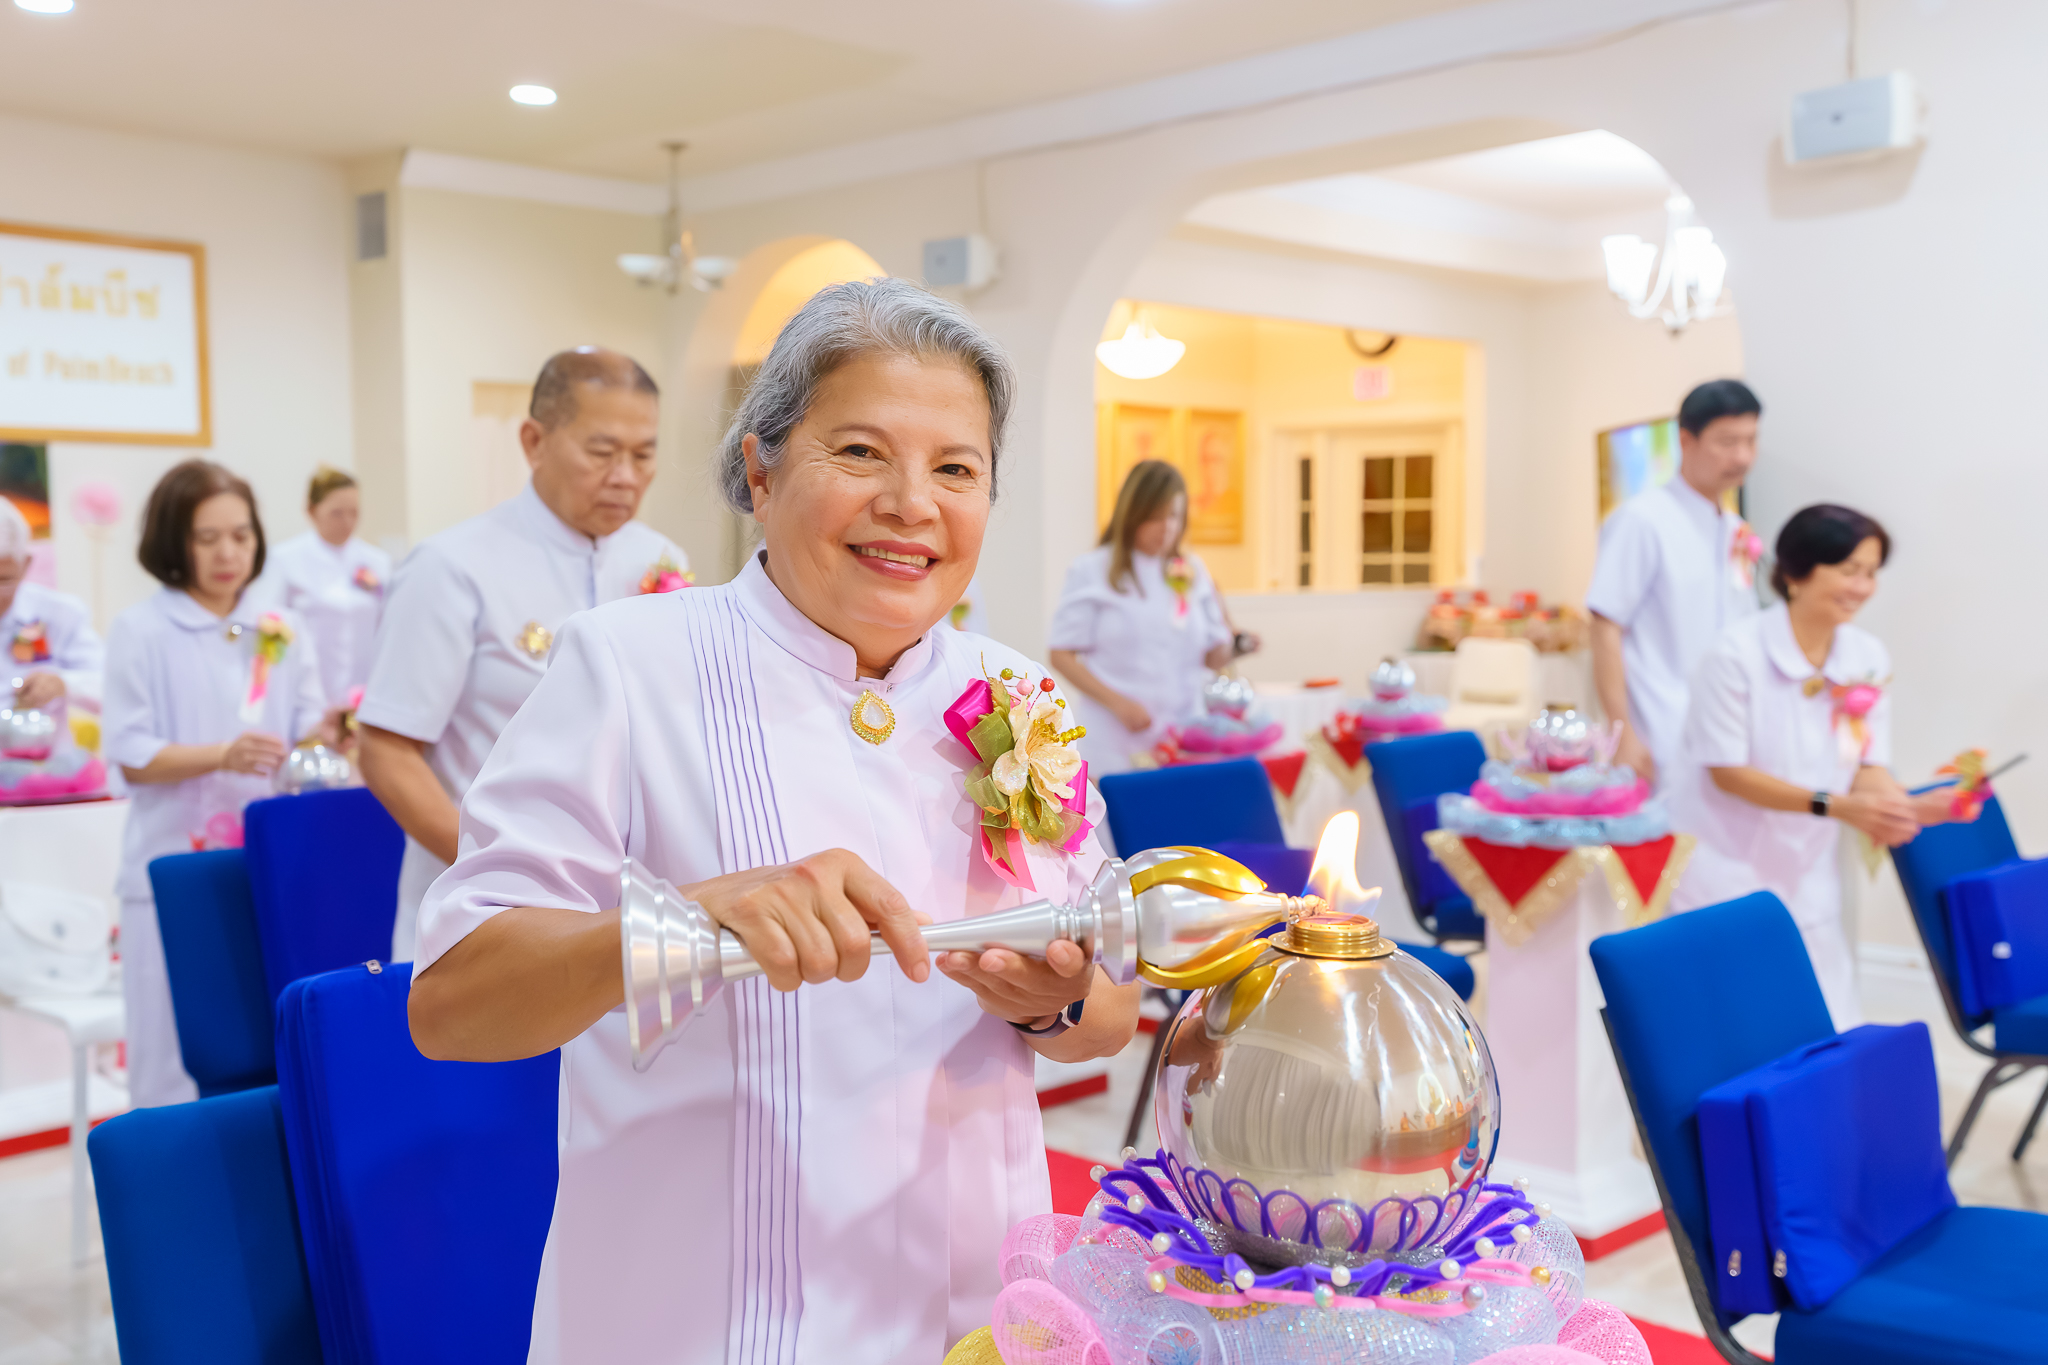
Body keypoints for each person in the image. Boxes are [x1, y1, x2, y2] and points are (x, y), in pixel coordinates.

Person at [406, 280, 1139, 1362]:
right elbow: (452, 1006)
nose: (910, 502)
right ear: (759, 468)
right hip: (702, 1318)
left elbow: (1108, 1011)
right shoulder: (628, 665)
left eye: (955, 468)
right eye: (857, 454)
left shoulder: (1019, 699)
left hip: (976, 1315)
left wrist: (1055, 999)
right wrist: (698, 916)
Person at [356, 347, 688, 963]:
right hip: (485, 911)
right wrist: (492, 869)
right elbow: (386, 749)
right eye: (602, 451)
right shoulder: (455, 567)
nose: (626, 476)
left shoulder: (660, 560)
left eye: (643, 455)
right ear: (534, 441)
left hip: (623, 916)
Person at [1675, 504, 1962, 1028]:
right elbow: (1728, 773)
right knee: (1745, 1026)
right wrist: (1839, 807)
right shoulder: (1735, 655)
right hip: (1725, 868)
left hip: (1808, 872)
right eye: (1848, 570)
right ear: (1794, 573)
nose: (1862, 586)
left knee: (1828, 1027)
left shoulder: (1865, 654)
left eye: (1872, 573)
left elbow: (1865, 762)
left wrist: (1905, 804)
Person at [102, 461, 329, 1105]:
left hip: (264, 867)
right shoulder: (141, 630)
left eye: (242, 535)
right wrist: (220, 755)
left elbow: (304, 725)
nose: (229, 553)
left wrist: (333, 732)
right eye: (208, 539)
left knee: (262, 1049)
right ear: (174, 542)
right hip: (171, 867)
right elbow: (132, 754)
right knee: (171, 1056)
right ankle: (167, 1197)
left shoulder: (278, 625)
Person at [1587, 380, 1763, 789]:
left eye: (1750, 441)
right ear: (1686, 440)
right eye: (1727, 442)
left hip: (1728, 733)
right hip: (1660, 727)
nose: (1742, 456)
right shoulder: (1643, 520)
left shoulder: (1735, 530)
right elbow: (1604, 627)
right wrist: (1622, 734)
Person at [1047, 459, 1242, 774]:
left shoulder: (1192, 570)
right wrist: (1119, 704)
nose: (1167, 528)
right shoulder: (1092, 570)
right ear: (1132, 514)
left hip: (1185, 736)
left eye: (1175, 517)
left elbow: (1212, 659)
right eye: (1155, 517)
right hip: (1116, 740)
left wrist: (1229, 638)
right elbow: (1061, 654)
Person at [256, 465, 390, 708]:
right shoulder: (285, 559)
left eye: (354, 513)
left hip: (364, 690)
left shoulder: (376, 561)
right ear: (312, 511)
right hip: (308, 690)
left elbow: (387, 625)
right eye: (337, 513)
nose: (347, 522)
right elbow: (270, 628)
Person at [0, 496, 103, 712]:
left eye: (3, 580)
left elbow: (109, 684)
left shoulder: (61, 613)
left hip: (45, 744)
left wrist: (63, 683)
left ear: (26, 564)